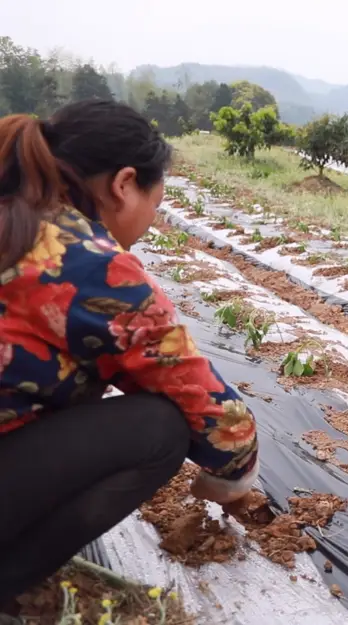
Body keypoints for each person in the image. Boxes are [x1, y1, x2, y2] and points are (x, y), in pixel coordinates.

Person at [0, 100, 260, 604]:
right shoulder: (81, 258)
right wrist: (236, 479)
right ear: (123, 184)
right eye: (156, 204)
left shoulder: (17, 214)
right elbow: (210, 407)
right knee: (157, 429)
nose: (151, 222)